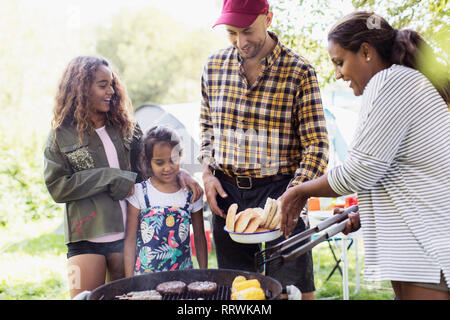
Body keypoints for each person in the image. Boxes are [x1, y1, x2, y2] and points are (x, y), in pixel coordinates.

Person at [280, 11, 450, 300]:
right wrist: (368, 212)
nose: (338, 73)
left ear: (367, 52)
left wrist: (301, 191)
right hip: (419, 245)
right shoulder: (402, 81)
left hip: (425, 247)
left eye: (340, 62)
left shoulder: (389, 82)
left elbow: (359, 170)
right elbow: (400, 172)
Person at [199, 0, 329, 299]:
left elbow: (317, 145)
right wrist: (207, 173)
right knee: (237, 292)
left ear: (268, 18)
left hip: (282, 191)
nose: (241, 41)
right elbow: (206, 128)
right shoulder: (213, 66)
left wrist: (294, 194)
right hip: (226, 193)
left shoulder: (300, 71)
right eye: (232, 32)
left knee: (291, 292)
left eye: (247, 31)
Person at [44, 56, 203, 298]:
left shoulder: (126, 125)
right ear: (81, 87)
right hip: (86, 236)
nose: (110, 91)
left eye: (112, 84)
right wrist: (109, 177)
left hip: (130, 236)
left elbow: (153, 161)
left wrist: (179, 172)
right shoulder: (59, 135)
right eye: (102, 85)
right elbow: (57, 187)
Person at [124, 126, 207, 276]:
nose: (167, 168)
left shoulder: (192, 194)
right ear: (148, 161)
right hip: (145, 279)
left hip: (184, 277)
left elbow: (200, 237)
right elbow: (130, 241)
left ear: (180, 155)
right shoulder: (139, 193)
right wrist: (130, 280)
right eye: (160, 163)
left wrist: (204, 273)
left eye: (173, 160)